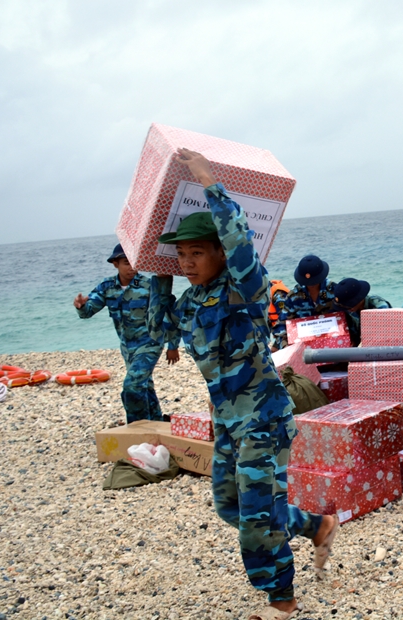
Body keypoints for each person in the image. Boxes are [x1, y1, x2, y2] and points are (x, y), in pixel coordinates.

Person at [148, 148, 339, 620]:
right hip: (228, 423)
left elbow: (241, 246)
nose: (188, 263)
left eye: (197, 253)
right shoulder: (190, 303)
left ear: (218, 253)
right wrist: (158, 273)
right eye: (182, 256)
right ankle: (316, 524)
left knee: (255, 520)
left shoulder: (245, 291)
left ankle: (282, 603)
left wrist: (209, 182)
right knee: (230, 508)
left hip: (264, 420)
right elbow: (157, 331)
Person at [74, 244, 178, 423]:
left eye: (133, 262)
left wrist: (173, 345)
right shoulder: (107, 287)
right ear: (115, 264)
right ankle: (156, 422)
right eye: (125, 263)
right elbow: (88, 311)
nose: (131, 267)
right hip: (127, 346)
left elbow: (167, 313)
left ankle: (138, 428)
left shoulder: (147, 286)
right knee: (144, 385)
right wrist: (82, 306)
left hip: (150, 343)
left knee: (132, 385)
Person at [274, 254, 340, 349]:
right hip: (303, 349)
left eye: (314, 280)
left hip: (335, 345)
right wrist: (286, 347)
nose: (311, 284)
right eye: (307, 281)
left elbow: (349, 317)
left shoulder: (334, 291)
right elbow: (281, 326)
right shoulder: (293, 297)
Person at [334, 277, 391, 347]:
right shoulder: (347, 310)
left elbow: (383, 334)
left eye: (350, 305)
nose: (348, 308)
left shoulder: (379, 307)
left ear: (360, 299)